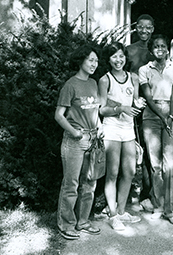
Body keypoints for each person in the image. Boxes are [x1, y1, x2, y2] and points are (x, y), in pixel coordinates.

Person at [55, 45, 102, 240]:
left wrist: (99, 127)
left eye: (96, 61)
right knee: (71, 184)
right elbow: (58, 115)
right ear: (81, 61)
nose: (94, 64)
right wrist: (76, 133)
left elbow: (94, 110)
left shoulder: (93, 83)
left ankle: (82, 221)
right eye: (91, 60)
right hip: (75, 141)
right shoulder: (70, 85)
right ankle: (66, 224)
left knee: (89, 183)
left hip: (93, 139)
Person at [99, 41, 146, 231]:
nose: (118, 60)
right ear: (108, 60)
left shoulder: (133, 78)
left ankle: (120, 211)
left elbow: (135, 102)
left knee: (130, 172)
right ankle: (112, 215)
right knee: (112, 173)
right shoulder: (105, 80)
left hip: (128, 130)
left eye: (121, 56)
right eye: (113, 56)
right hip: (111, 129)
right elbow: (102, 109)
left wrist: (139, 103)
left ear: (125, 57)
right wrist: (121, 108)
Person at [139, 34, 173, 225]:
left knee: (171, 164)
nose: (160, 49)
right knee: (155, 164)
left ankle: (171, 209)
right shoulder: (144, 70)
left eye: (163, 46)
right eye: (156, 46)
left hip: (172, 114)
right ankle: (158, 205)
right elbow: (148, 97)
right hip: (151, 115)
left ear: (167, 49)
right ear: (151, 50)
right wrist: (161, 116)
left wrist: (170, 116)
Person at [126, 13, 155, 212]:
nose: (144, 30)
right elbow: (123, 76)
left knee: (149, 153)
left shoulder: (158, 50)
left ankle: (147, 195)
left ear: (153, 29)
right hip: (131, 106)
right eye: (141, 26)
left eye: (148, 27)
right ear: (136, 28)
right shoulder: (129, 50)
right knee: (128, 150)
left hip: (152, 108)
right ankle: (125, 195)